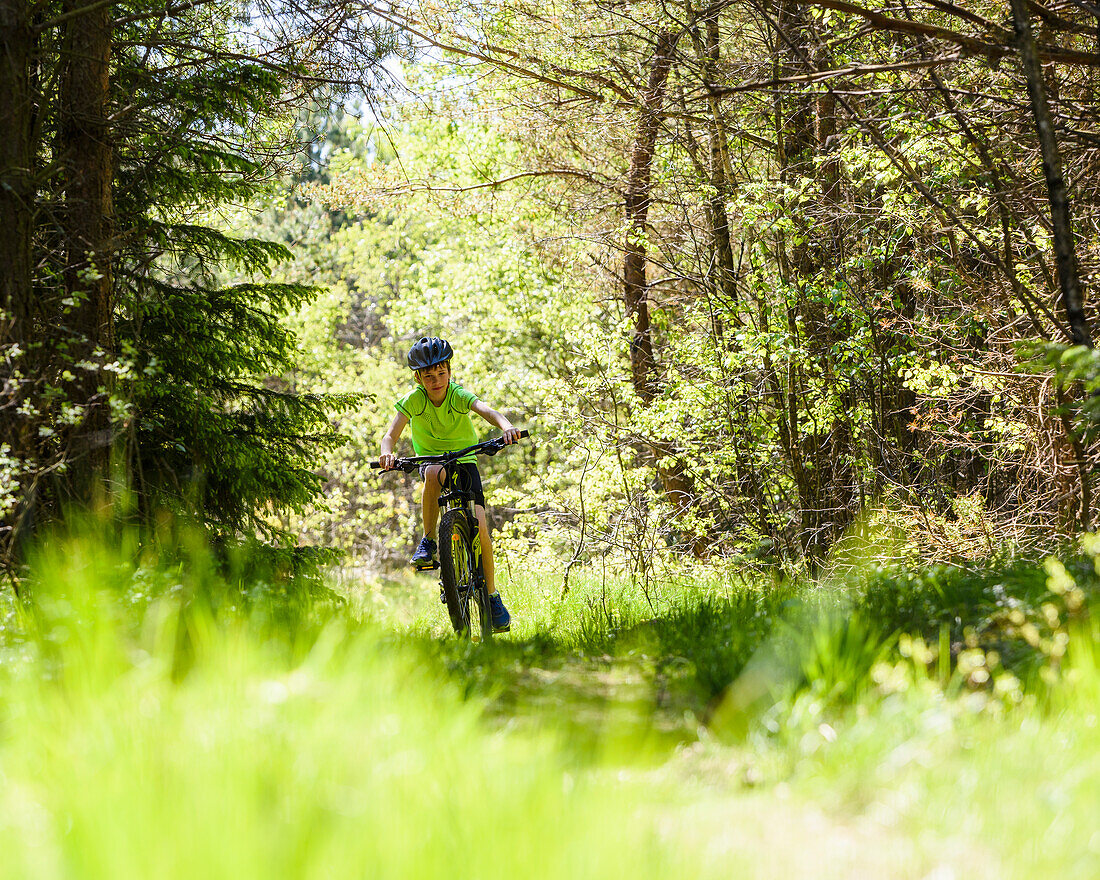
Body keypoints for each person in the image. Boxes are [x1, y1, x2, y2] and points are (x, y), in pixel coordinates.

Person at [378, 335, 520, 632]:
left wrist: (507, 428)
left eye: (441, 373)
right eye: (428, 376)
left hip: (465, 461)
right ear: (418, 378)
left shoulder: (457, 395)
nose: (436, 380)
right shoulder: (414, 400)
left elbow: (489, 412)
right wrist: (387, 454)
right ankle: (429, 540)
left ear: (449, 372)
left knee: (480, 527)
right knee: (430, 474)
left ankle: (492, 597)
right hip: (433, 462)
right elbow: (390, 435)